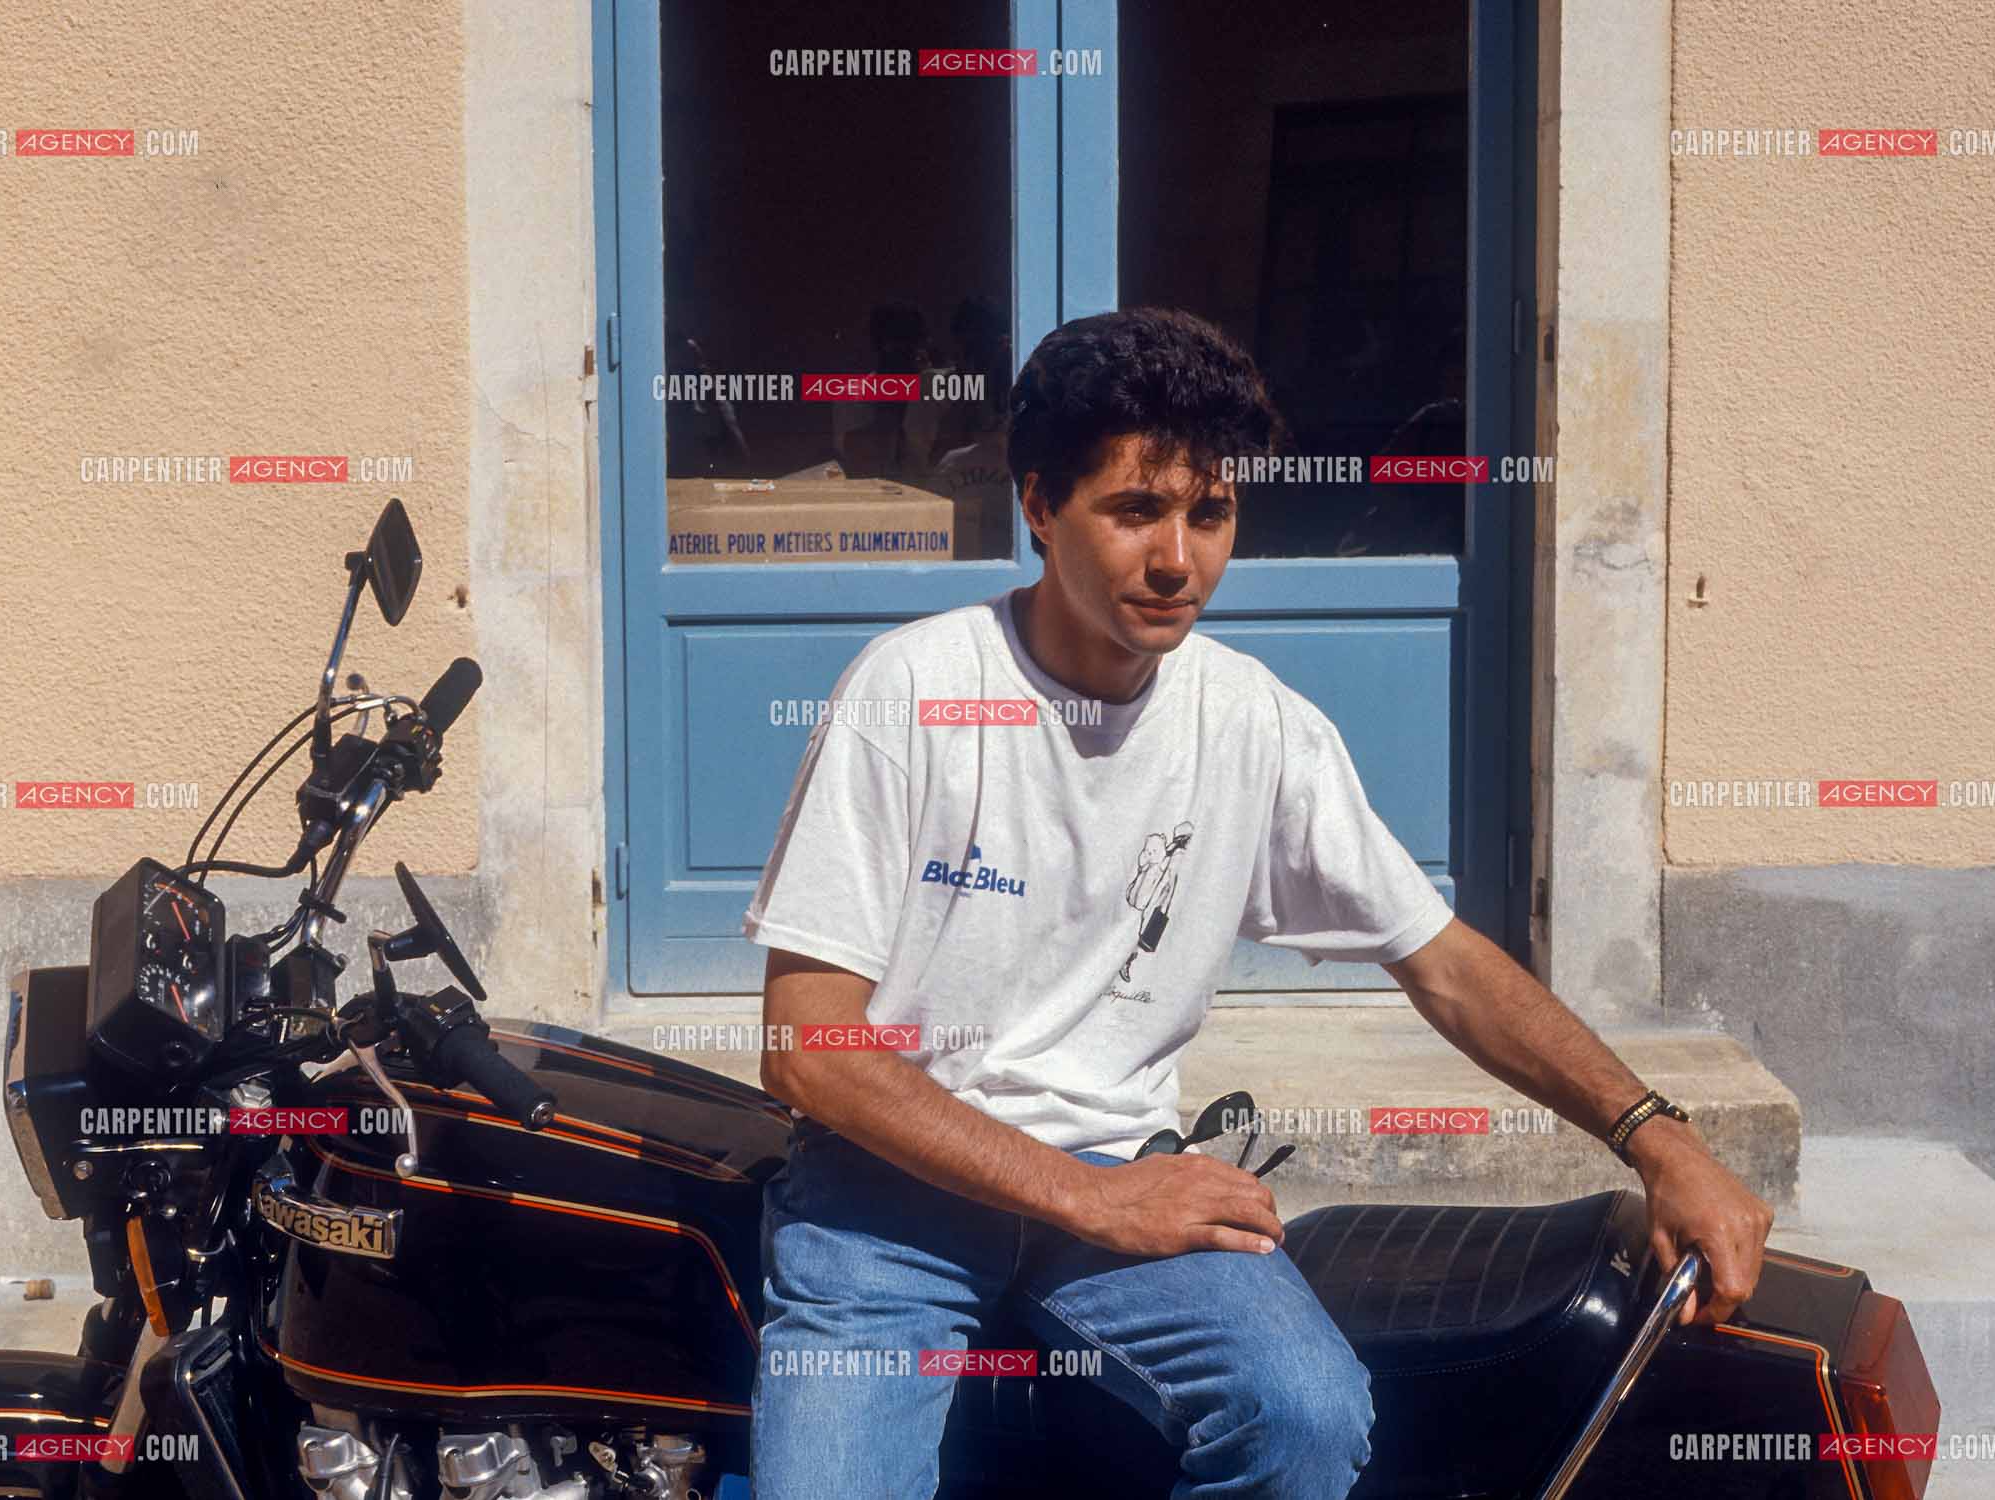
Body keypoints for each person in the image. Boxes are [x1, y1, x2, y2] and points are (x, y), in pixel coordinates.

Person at [743, 307, 1774, 1498]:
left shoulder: (1251, 722)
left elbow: (1439, 959)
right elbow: (810, 1053)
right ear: (1038, 507)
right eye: (1135, 511)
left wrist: (1657, 1135)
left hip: (1123, 1175)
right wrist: (1092, 1197)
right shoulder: (914, 691)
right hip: (891, 1202)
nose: (1177, 559)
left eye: (1210, 513)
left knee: (1306, 1418)